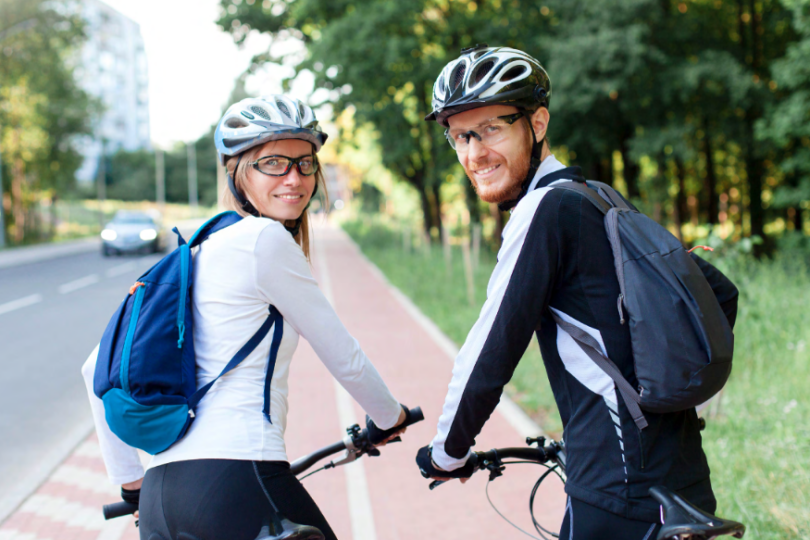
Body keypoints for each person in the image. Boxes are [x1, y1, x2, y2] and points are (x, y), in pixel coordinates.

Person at [415, 45, 739, 540]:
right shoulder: (598, 195)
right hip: (682, 481)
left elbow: (490, 350)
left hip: (615, 490)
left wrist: (446, 453)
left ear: (537, 123)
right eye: (460, 136)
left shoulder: (543, 211)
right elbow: (720, 294)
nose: (474, 153)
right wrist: (657, 392)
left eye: (492, 129)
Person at [81, 95, 409, 540]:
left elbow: (94, 370)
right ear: (237, 172)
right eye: (273, 162)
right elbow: (343, 355)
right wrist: (391, 417)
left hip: (161, 501)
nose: (294, 177)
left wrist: (132, 485)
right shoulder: (264, 239)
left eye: (304, 163)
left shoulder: (193, 251)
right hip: (237, 480)